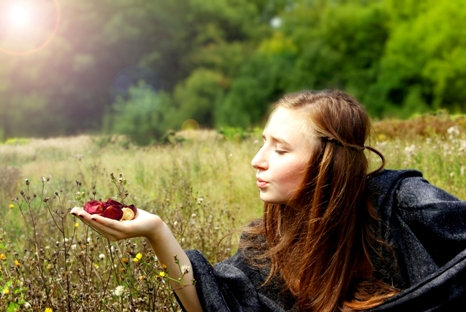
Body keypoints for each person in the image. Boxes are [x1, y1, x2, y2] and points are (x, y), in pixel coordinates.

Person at [71, 90, 466, 312]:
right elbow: (213, 304)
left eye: (279, 149)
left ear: (328, 162)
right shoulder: (270, 241)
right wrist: (156, 231)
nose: (256, 160)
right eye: (263, 142)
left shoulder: (405, 204)